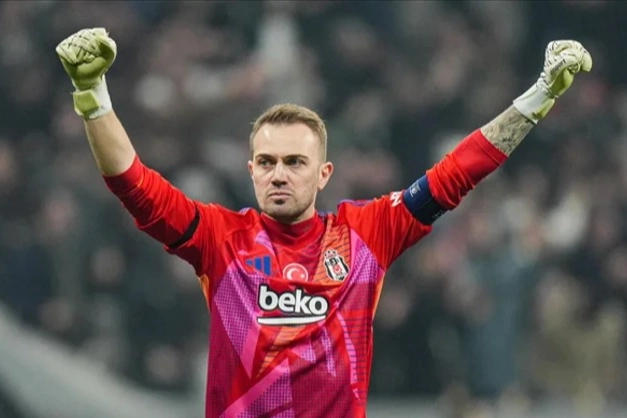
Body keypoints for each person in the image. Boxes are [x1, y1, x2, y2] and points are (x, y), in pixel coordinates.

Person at [55, 28, 592, 418]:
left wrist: (540, 95)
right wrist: (93, 94)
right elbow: (134, 186)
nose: (279, 174)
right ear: (250, 171)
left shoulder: (365, 234)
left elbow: (456, 174)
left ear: (323, 174)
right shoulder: (221, 238)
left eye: (295, 162)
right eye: (267, 162)